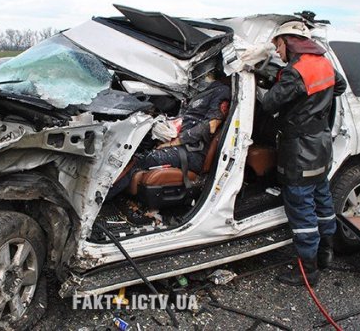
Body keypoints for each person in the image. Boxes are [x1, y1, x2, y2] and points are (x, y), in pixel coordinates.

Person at [257, 21, 347, 286]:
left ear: (289, 41)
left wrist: (270, 90)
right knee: (322, 199)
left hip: (298, 151)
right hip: (320, 146)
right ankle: (325, 255)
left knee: (301, 210)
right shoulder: (323, 63)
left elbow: (271, 103)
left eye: (278, 45)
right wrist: (312, 106)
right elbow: (338, 87)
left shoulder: (295, 72)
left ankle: (307, 272)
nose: (277, 52)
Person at [106, 69, 231, 204]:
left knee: (144, 158)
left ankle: (104, 198)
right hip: (182, 146)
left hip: (194, 152)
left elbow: (211, 126)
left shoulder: (220, 91)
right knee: (134, 149)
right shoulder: (196, 93)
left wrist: (176, 141)